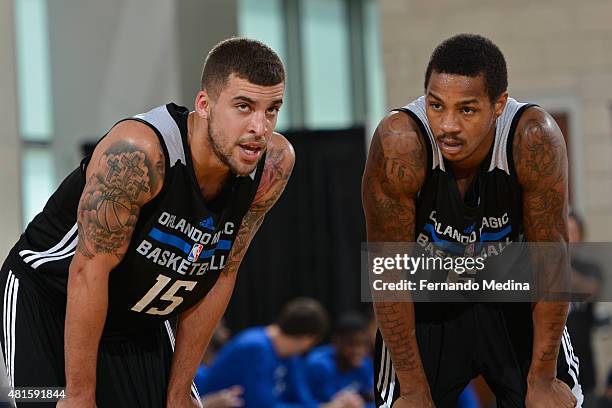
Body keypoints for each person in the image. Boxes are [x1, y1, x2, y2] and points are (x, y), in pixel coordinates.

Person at [0, 37, 294, 408]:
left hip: (138, 315)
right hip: (49, 299)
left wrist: (178, 391)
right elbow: (87, 272)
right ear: (204, 105)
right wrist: (78, 394)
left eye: (272, 110)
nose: (260, 127)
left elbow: (222, 273)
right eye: (243, 106)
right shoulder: (141, 151)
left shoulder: (273, 165)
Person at [362, 34, 581, 407]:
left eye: (466, 109)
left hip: (514, 296)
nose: (447, 125)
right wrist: (413, 389)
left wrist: (543, 377)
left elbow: (552, 261)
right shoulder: (401, 144)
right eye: (436, 105)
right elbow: (388, 272)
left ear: (498, 104)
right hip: (428, 301)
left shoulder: (532, 138)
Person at [199, 298, 363, 408]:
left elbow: (303, 400)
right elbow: (262, 405)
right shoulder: (254, 347)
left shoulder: (290, 355)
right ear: (308, 339)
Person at [567, 210, 603, 407]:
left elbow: (591, 289)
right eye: (564, 231)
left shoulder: (590, 268)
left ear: (581, 237)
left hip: (584, 372)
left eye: (573, 232)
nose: (568, 237)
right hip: (554, 371)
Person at [305, 312, 374, 407]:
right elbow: (305, 403)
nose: (359, 350)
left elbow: (371, 398)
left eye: (364, 344)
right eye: (352, 344)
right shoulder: (318, 365)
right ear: (337, 342)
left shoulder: (364, 363)